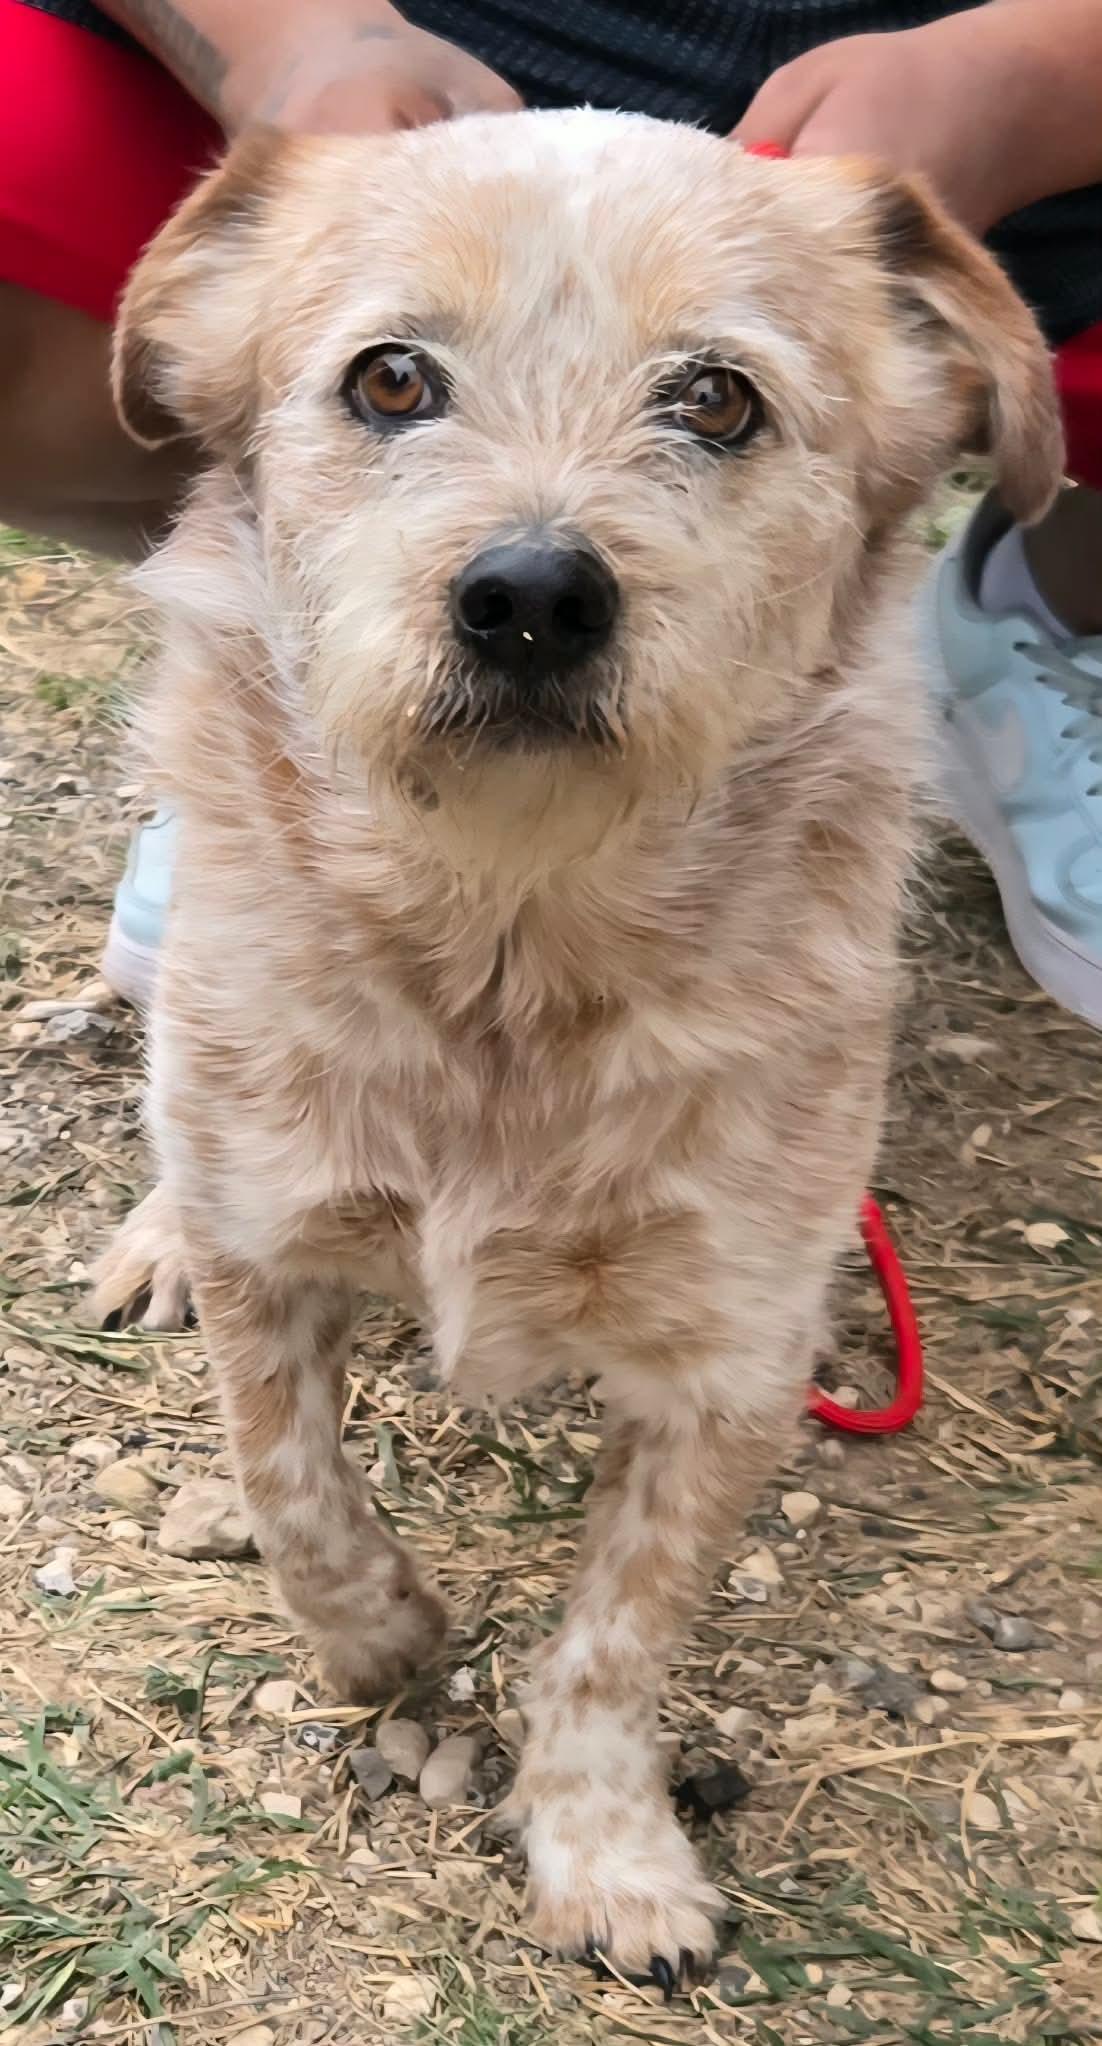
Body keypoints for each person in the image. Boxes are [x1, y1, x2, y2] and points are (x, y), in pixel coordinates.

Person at [2, 0, 1101, 1026]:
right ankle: (289, 756)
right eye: (396, 385)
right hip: (429, 58)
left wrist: (1040, 77)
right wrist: (288, 37)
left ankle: (1046, 619)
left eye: (711, 406)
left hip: (1006, 147)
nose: (533, 582)